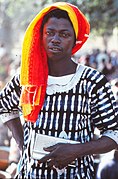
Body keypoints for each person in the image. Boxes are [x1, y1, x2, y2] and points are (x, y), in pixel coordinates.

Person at [0, 2, 118, 179]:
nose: (55, 39)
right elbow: (5, 106)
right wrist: (23, 143)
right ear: (41, 36)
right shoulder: (28, 77)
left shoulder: (92, 82)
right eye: (49, 33)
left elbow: (113, 134)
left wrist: (76, 150)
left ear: (75, 40)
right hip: (29, 174)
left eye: (64, 34)